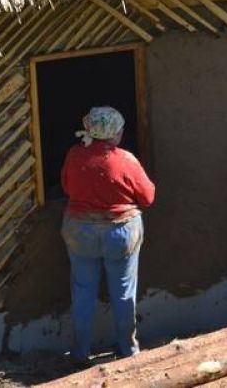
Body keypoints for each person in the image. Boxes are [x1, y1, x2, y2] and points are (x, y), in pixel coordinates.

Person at [61, 106, 155, 363]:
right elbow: (148, 197)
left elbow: (67, 187)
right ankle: (128, 350)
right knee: (123, 292)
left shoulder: (74, 155)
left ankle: (81, 352)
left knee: (83, 291)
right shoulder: (125, 160)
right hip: (120, 232)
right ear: (114, 133)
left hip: (80, 231)